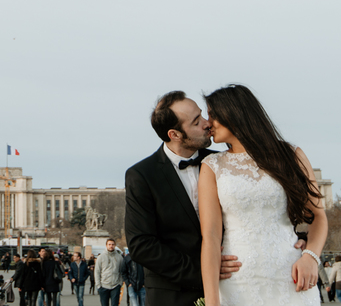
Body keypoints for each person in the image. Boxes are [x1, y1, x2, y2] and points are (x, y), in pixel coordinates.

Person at [127, 91, 303, 306]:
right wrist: (204, 270)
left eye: (202, 115)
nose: (207, 123)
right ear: (175, 134)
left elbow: (262, 203)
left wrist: (300, 237)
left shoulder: (222, 163)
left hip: (237, 285)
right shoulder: (142, 175)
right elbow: (141, 245)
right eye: (196, 121)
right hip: (173, 295)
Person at [198, 84, 327, 306]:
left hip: (292, 277)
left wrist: (311, 257)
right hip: (238, 282)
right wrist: (212, 301)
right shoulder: (212, 165)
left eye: (213, 115)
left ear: (234, 113)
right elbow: (210, 237)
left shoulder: (291, 155)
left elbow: (318, 216)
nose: (208, 123)